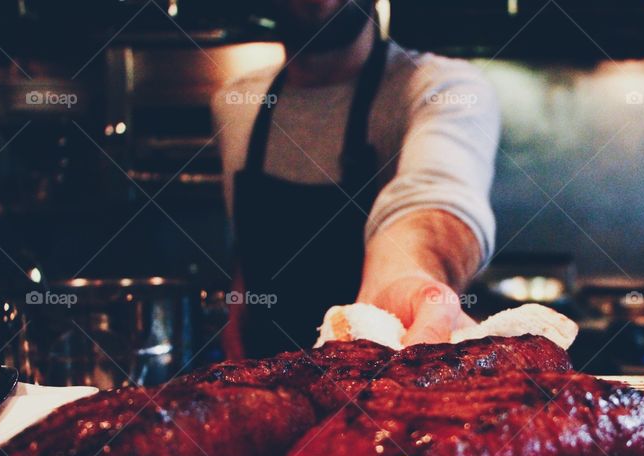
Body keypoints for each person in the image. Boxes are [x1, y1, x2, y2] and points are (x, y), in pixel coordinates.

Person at [212, 0, 499, 358]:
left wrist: (403, 277)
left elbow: (436, 196)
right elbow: (248, 256)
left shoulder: (443, 89)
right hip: (263, 390)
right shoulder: (235, 104)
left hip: (377, 386)